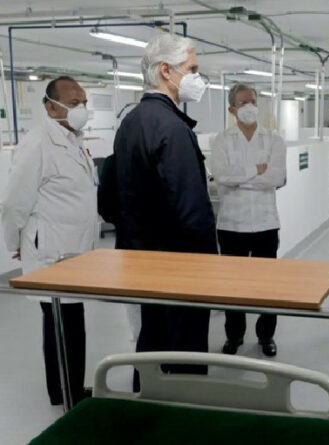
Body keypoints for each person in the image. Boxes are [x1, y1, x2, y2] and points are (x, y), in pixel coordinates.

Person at [112, 33, 218, 391]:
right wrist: (209, 266)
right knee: (185, 346)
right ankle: (182, 416)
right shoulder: (171, 128)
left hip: (144, 260)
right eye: (192, 69)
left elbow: (113, 196)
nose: (196, 77)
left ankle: (148, 406)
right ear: (166, 71)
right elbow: (192, 211)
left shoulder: (132, 121)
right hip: (180, 265)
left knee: (152, 337)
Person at [0, 76, 99, 406]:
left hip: (74, 251)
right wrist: (13, 242)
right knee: (64, 323)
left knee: (67, 322)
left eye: (83, 102)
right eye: (73, 103)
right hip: (53, 252)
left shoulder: (74, 139)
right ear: (49, 105)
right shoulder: (38, 143)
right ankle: (68, 393)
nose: (80, 109)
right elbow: (15, 202)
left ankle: (64, 389)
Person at [210, 83, 287, 357]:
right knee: (233, 286)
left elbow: (276, 179)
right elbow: (220, 176)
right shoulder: (220, 140)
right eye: (243, 103)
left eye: (253, 101)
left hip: (266, 223)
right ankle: (235, 336)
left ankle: (266, 336)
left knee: (268, 286)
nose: (250, 107)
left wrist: (240, 179)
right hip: (232, 225)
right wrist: (256, 170)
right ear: (232, 109)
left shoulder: (274, 140)